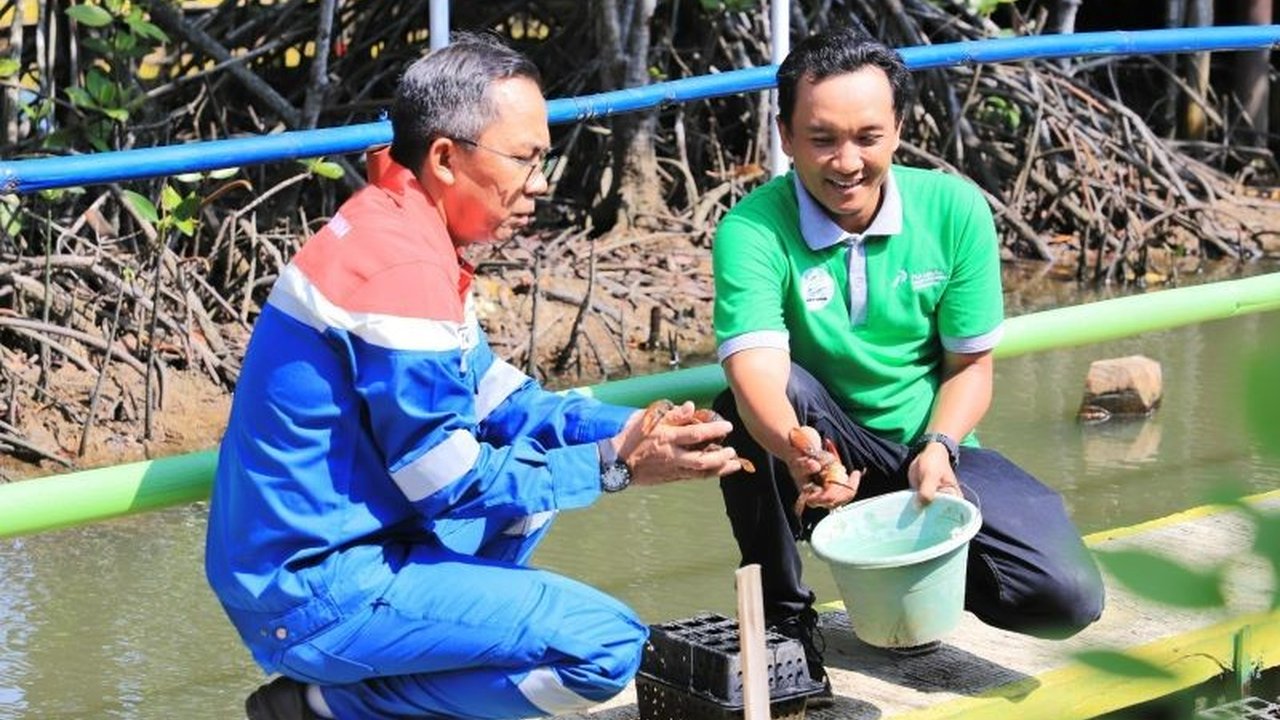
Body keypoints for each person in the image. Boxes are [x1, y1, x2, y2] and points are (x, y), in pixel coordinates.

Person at [205, 32, 745, 720]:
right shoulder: (399, 270)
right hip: (315, 590)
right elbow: (452, 487)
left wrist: (634, 429)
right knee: (608, 647)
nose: (541, 183)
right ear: (444, 158)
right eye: (525, 158)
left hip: (332, 557)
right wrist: (619, 467)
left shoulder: (404, 230)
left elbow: (505, 403)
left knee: (534, 498)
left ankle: (404, 668)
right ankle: (326, 708)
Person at [711, 27, 1106, 692]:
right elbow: (753, 372)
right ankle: (786, 622)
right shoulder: (750, 228)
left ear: (898, 128)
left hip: (933, 453)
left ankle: (912, 572)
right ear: (784, 135)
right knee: (746, 411)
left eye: (867, 136)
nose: (845, 162)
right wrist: (800, 451)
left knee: (1067, 598)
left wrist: (941, 446)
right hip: (824, 444)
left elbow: (971, 368)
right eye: (822, 138)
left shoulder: (953, 208)